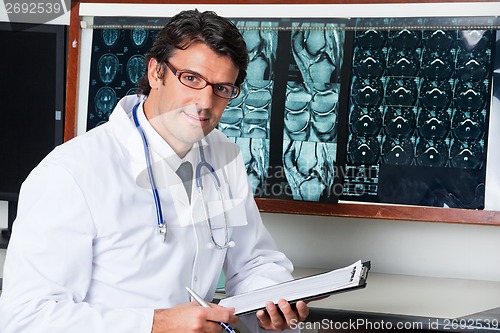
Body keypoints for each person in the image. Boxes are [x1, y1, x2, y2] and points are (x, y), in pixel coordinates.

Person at [0, 9, 310, 333]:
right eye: (191, 79)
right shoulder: (71, 174)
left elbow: (252, 261)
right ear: (155, 73)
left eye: (221, 89)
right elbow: (26, 319)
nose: (205, 102)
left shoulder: (221, 155)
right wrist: (154, 324)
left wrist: (272, 301)